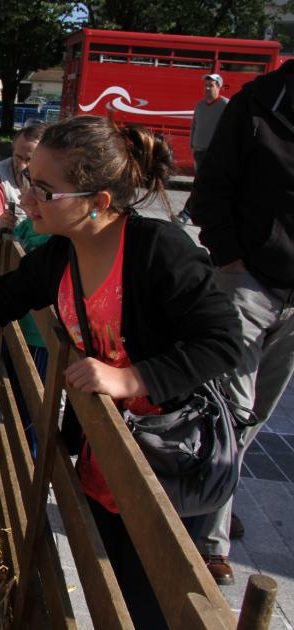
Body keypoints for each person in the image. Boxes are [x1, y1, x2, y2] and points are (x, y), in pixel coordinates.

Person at [0, 115, 243, 628]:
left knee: (151, 594)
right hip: (105, 448)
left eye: (44, 189)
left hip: (169, 457)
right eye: (28, 179)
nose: (26, 198)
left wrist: (130, 379)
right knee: (109, 577)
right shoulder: (61, 253)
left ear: (98, 202)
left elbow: (224, 341)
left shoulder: (159, 250)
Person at [189, 59, 294, 587]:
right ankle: (210, 540)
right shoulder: (256, 104)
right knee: (231, 408)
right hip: (249, 281)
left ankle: (210, 506)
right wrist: (231, 260)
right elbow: (212, 187)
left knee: (256, 418)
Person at [177, 73, 229, 224]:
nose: (207, 88)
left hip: (214, 152)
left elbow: (230, 128)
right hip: (199, 151)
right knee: (207, 185)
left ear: (219, 87)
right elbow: (195, 124)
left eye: (211, 85)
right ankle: (206, 215)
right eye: (205, 85)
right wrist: (192, 143)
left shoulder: (225, 105)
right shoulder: (200, 104)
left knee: (201, 183)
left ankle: (185, 214)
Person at [0, 122, 47, 231]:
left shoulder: (53, 179)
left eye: (29, 160)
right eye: (18, 157)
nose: (22, 166)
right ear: (13, 150)